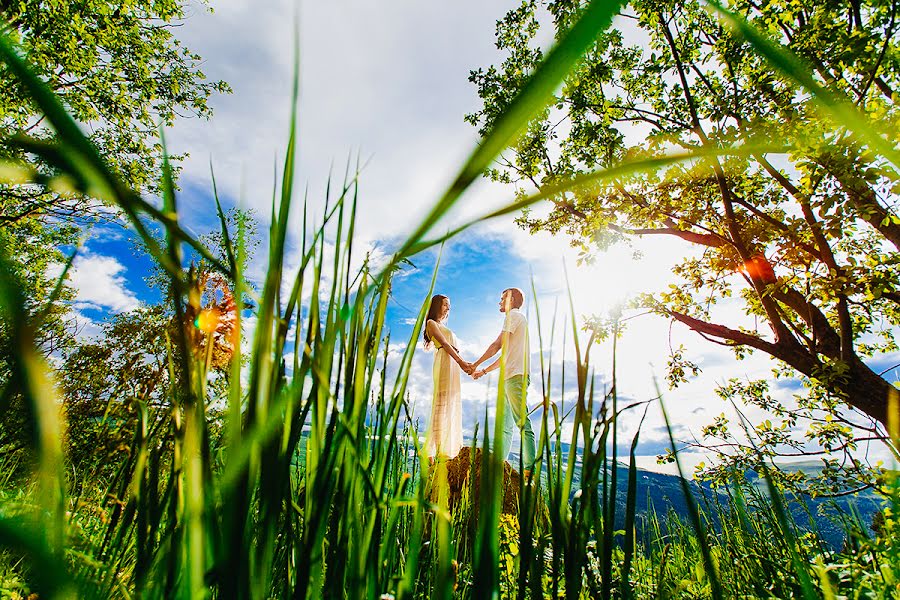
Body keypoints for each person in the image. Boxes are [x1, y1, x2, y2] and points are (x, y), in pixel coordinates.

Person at [471, 288, 536, 475]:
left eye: (502, 298)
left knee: (521, 422)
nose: (499, 302)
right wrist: (482, 370)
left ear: (512, 299)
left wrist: (475, 364)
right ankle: (500, 463)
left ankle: (529, 470)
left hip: (516, 377)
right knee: (506, 427)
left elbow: (497, 345)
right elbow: (504, 356)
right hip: (511, 376)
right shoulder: (516, 319)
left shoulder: (513, 316)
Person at [423, 294, 473, 459]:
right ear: (437, 305)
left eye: (449, 307)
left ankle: (445, 447)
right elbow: (444, 343)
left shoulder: (441, 326)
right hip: (445, 363)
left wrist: (463, 363)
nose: (447, 309)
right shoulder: (431, 323)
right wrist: (460, 362)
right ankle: (437, 449)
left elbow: (449, 344)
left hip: (451, 364)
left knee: (449, 402)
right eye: (445, 305)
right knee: (441, 403)